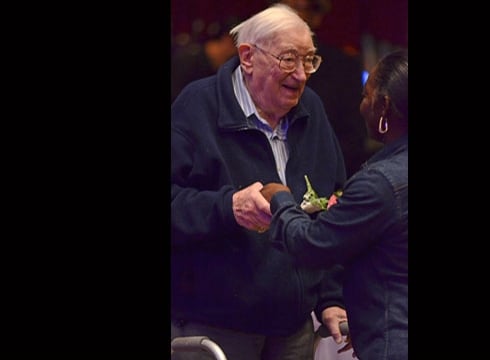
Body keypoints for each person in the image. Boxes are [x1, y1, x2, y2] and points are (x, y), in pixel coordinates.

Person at [171, 3, 348, 360]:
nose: (301, 75)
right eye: (288, 59)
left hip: (293, 325)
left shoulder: (311, 109)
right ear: (248, 57)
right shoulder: (197, 107)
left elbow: (334, 210)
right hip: (217, 327)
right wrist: (228, 207)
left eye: (309, 60)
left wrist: (331, 297)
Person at [260, 48, 409, 360]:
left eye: (366, 96)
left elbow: (313, 244)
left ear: (383, 106)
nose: (361, 105)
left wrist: (280, 200)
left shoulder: (381, 184)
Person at [273, 0, 374, 178]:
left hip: (322, 180)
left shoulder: (343, 67)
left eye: (299, 9)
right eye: (286, 9)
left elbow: (353, 139)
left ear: (316, 17)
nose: (290, 19)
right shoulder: (256, 62)